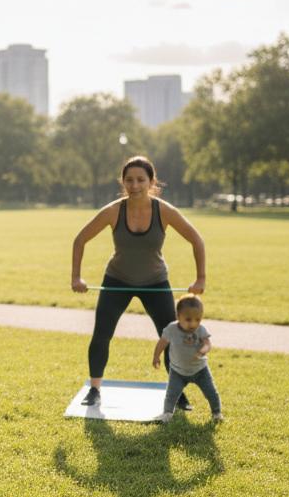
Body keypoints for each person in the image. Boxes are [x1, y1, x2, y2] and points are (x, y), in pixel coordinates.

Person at [71, 156, 207, 408]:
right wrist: (76, 277)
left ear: (151, 182)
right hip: (117, 280)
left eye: (141, 180)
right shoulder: (113, 211)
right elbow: (80, 240)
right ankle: (95, 389)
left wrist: (200, 278)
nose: (134, 185)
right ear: (123, 182)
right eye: (129, 180)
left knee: (171, 337)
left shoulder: (164, 211)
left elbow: (196, 240)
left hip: (155, 281)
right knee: (101, 334)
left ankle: (178, 392)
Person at [153, 294, 221, 423]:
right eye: (188, 319)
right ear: (178, 316)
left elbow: (207, 344)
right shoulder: (171, 329)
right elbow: (162, 343)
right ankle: (167, 414)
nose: (193, 323)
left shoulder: (201, 330)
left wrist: (202, 351)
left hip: (200, 370)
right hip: (177, 372)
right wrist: (156, 356)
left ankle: (216, 413)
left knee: (211, 392)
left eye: (197, 319)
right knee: (171, 394)